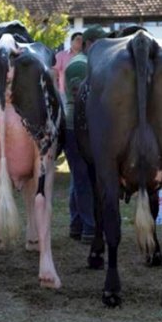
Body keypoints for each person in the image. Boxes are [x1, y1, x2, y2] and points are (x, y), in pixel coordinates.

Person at [63, 25, 106, 243]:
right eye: (100, 42)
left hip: (85, 127)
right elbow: (82, 98)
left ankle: (77, 224)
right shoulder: (80, 65)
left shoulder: (90, 62)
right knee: (83, 180)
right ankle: (90, 227)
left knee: (79, 179)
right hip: (76, 128)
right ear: (89, 44)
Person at [53, 32, 83, 104]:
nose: (80, 42)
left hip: (83, 93)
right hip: (64, 93)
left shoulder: (87, 56)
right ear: (71, 42)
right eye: (78, 39)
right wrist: (55, 89)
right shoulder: (61, 55)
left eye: (82, 40)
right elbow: (54, 72)